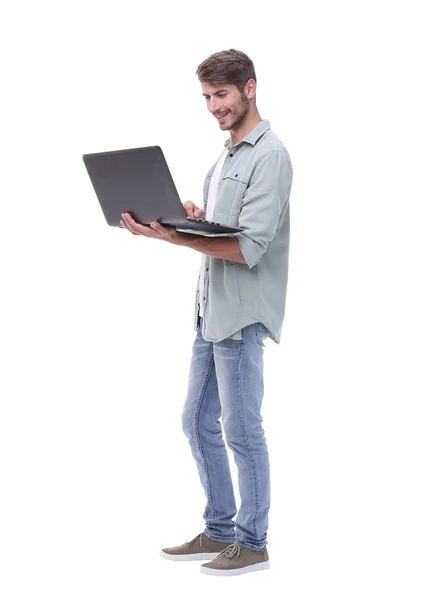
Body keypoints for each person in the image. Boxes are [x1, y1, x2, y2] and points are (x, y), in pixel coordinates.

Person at [121, 49, 293, 576]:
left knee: (241, 428)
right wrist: (190, 218)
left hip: (240, 314)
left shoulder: (270, 155)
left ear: (250, 88)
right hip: (209, 310)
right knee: (197, 421)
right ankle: (219, 529)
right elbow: (225, 227)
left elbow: (249, 248)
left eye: (221, 95)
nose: (214, 106)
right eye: (206, 97)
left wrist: (175, 240)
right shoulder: (226, 157)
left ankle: (253, 540)